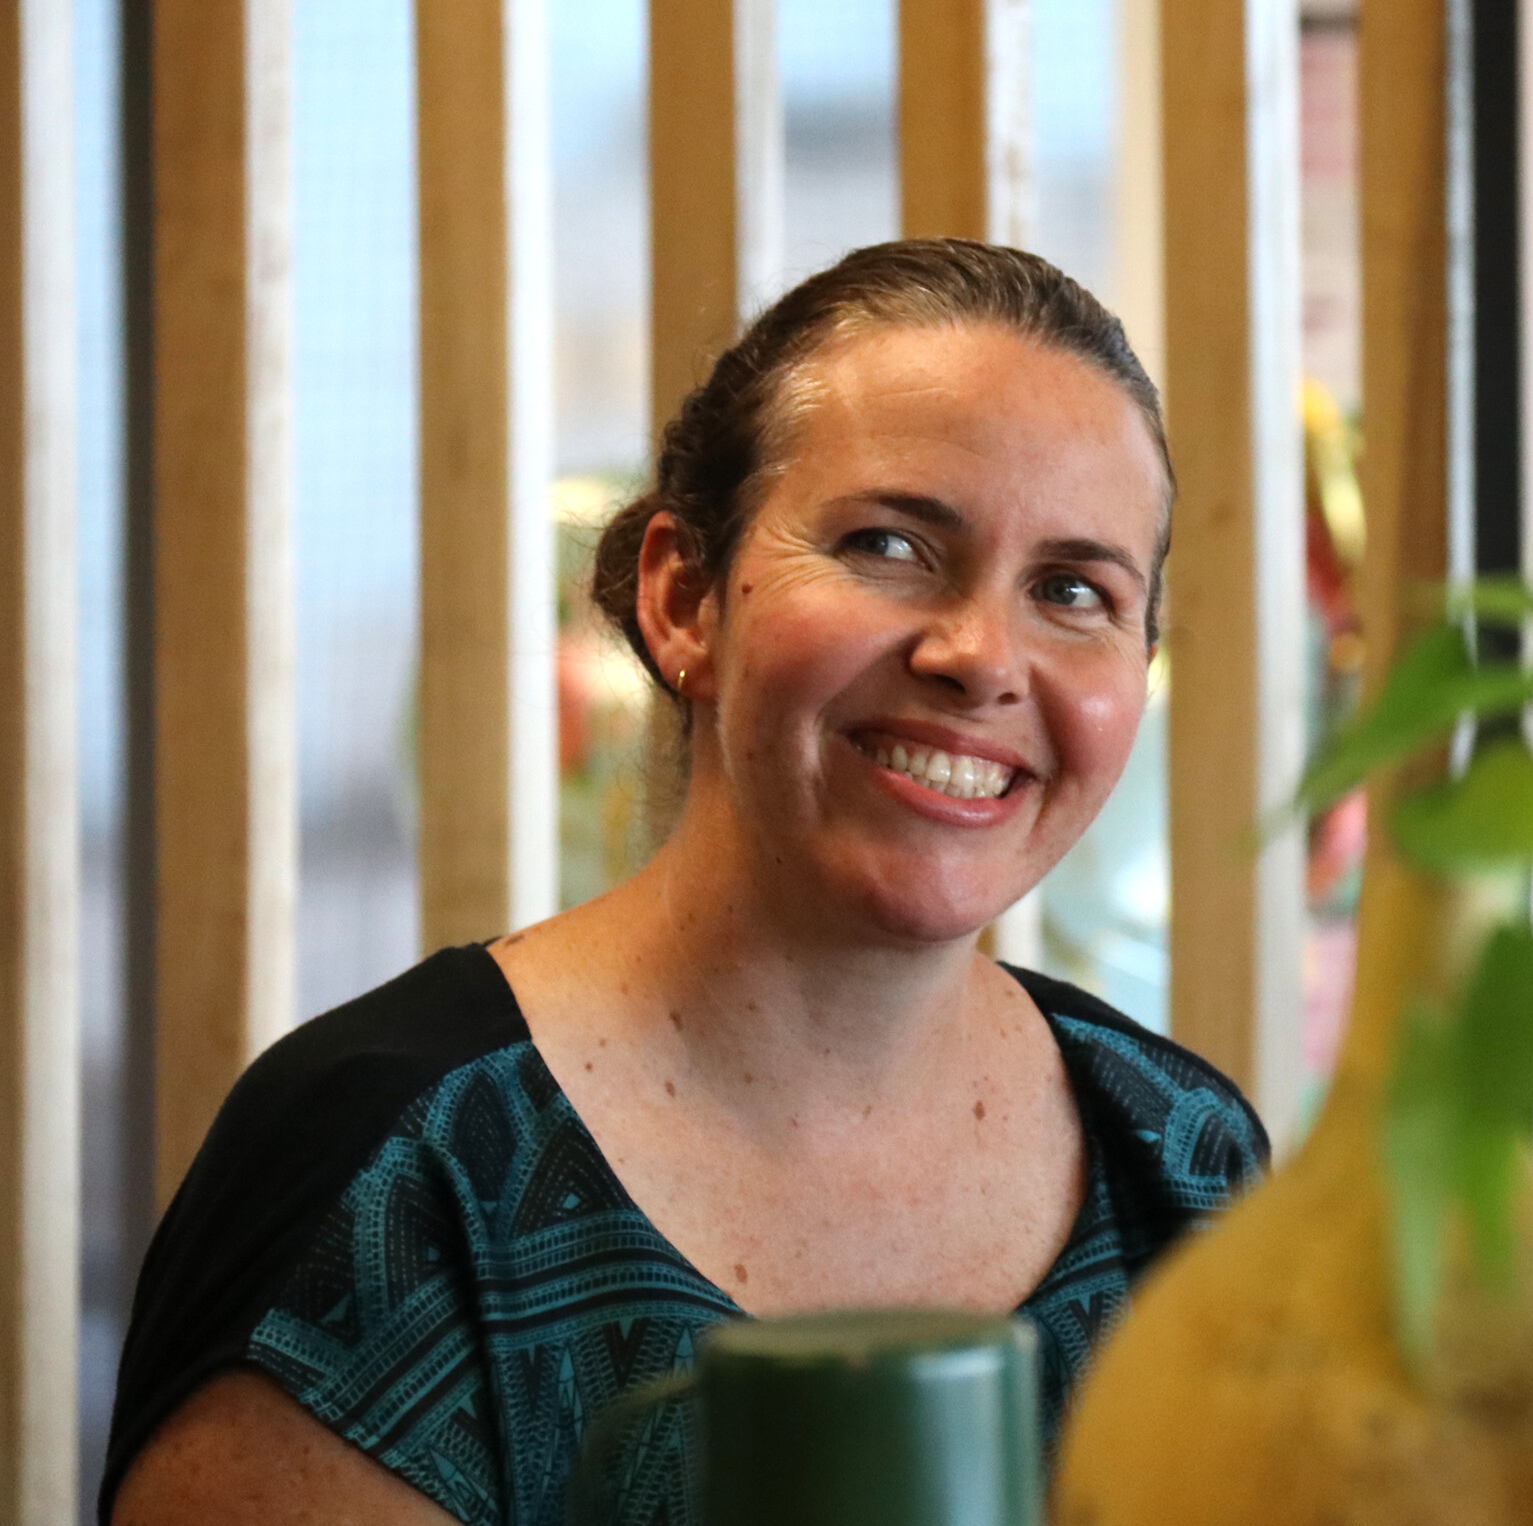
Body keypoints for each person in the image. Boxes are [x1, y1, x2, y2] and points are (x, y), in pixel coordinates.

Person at [103, 239, 1268, 1526]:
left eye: (1071, 590)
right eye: (889, 544)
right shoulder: (396, 1175)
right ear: (681, 598)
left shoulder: (1185, 1159)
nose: (980, 656)